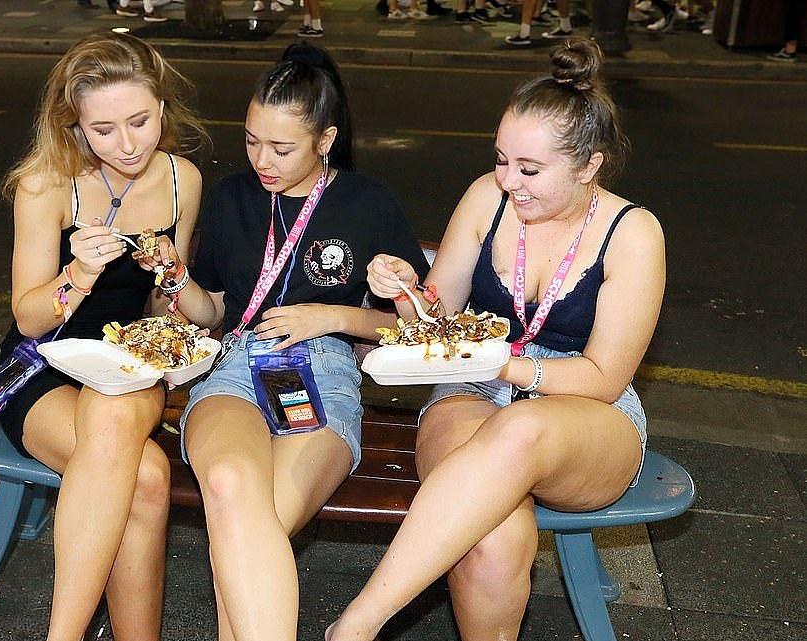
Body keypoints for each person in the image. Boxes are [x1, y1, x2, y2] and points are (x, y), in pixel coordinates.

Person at [327, 37, 663, 641]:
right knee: (494, 534)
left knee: (520, 428)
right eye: (501, 158)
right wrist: (401, 287)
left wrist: (506, 367)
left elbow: (605, 377)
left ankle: (357, 624)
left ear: (590, 166)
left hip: (587, 410)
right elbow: (433, 317)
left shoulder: (634, 233)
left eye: (530, 169)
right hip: (471, 386)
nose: (508, 180)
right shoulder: (488, 196)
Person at [141, 42, 430, 641]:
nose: (261, 160)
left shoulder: (368, 202)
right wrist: (176, 275)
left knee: (245, 526)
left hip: (325, 374)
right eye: (251, 141)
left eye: (281, 147)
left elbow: (416, 330)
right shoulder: (232, 197)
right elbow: (213, 309)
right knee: (229, 488)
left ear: (325, 140)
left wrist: (333, 315)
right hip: (235, 367)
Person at [0, 32, 208, 641]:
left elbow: (169, 312)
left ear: (163, 109)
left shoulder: (182, 180)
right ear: (75, 128)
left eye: (140, 121)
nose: (128, 144)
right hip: (40, 365)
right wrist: (78, 274)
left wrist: (172, 275)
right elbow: (30, 316)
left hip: (129, 356)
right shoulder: (44, 185)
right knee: (144, 477)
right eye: (104, 130)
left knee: (116, 414)